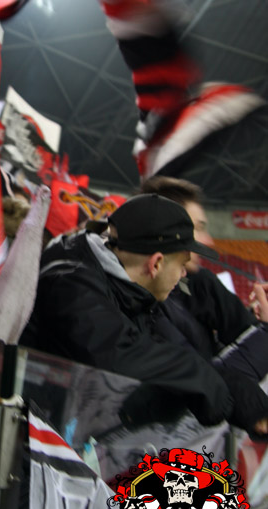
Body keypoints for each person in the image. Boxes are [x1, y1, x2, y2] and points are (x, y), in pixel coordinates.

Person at [23, 193, 237, 429]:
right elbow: (112, 352)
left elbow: (150, 350)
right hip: (19, 433)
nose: (184, 274)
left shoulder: (123, 289)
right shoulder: (70, 280)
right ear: (156, 264)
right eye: (182, 264)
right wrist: (197, 374)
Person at [140, 176, 268, 437]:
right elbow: (208, 381)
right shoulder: (139, 303)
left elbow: (228, 364)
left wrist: (261, 328)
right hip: (159, 447)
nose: (208, 240)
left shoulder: (201, 282)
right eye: (198, 228)